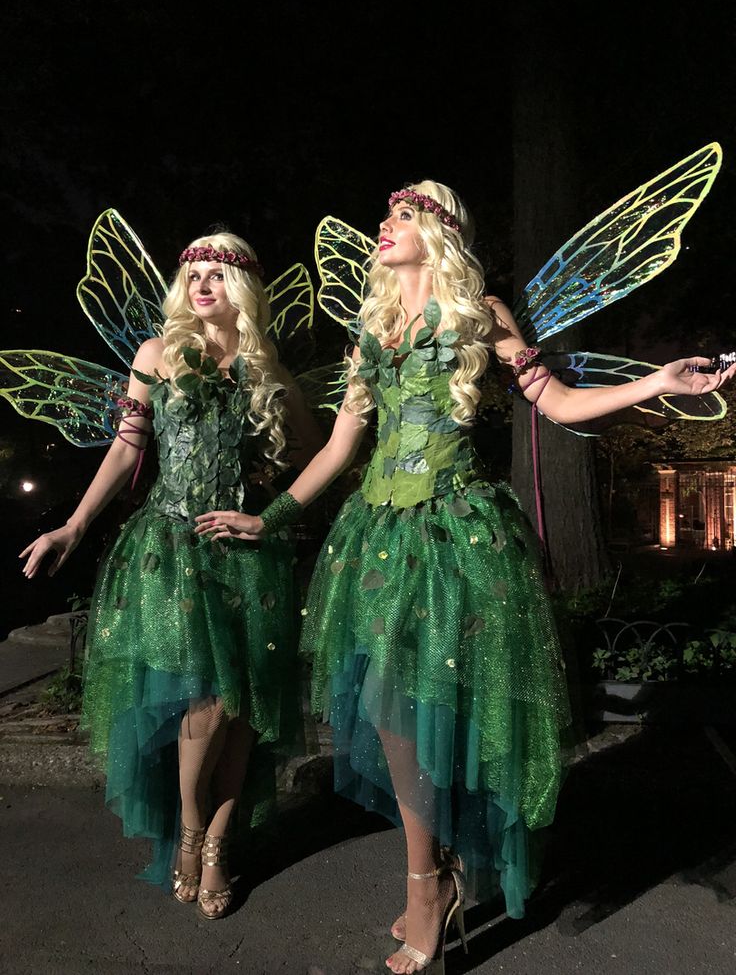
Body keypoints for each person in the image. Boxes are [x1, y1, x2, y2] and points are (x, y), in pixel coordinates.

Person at [195, 184, 732, 968]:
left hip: (456, 534)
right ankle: (431, 874)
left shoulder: (482, 313)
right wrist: (270, 516)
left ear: (440, 232)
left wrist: (656, 383)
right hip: (378, 535)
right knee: (388, 709)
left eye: (401, 215)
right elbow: (341, 447)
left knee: (437, 711)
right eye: (387, 216)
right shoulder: (372, 328)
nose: (384, 225)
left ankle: (427, 884)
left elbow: (558, 402)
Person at [21, 231, 319, 920]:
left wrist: (267, 500)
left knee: (244, 704)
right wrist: (73, 524)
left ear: (240, 289)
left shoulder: (264, 368)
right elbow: (128, 450)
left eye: (217, 274)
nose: (203, 285)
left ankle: (216, 841)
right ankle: (190, 824)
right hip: (171, 548)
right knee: (204, 700)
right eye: (193, 274)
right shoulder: (156, 356)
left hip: (247, 551)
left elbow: (310, 444)